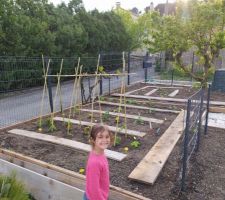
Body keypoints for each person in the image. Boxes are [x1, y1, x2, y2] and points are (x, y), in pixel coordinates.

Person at [83, 124, 113, 200]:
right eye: (100, 137)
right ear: (93, 140)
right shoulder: (95, 163)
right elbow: (94, 189)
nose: (104, 140)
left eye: (107, 136)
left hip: (101, 195)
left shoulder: (99, 153)